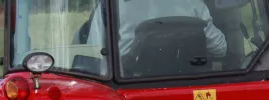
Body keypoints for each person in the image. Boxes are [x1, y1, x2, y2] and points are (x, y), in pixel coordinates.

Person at [86, 0, 227, 60]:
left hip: (130, 82)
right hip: (188, 79)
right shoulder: (193, 4)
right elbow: (220, 48)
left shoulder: (110, 7)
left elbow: (92, 55)